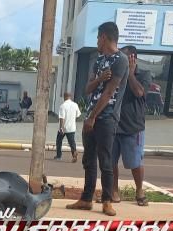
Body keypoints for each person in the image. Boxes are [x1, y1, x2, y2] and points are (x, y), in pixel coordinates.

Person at [66, 21, 129, 217]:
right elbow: (87, 89)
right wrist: (99, 79)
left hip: (106, 118)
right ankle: (86, 199)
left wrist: (92, 117)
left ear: (104, 37)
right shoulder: (99, 60)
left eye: (97, 38)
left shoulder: (121, 60)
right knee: (88, 160)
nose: (96, 42)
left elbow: (109, 93)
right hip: (90, 118)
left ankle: (107, 201)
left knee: (106, 161)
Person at [106, 45, 152, 206]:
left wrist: (130, 74)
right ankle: (114, 191)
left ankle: (139, 190)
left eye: (124, 58)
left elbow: (139, 92)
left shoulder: (144, 75)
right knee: (110, 162)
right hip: (114, 125)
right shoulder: (116, 74)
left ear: (133, 59)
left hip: (133, 128)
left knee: (135, 163)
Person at [55, 92, 81, 162]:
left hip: (64, 127)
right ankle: (74, 153)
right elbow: (78, 115)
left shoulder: (63, 106)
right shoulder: (75, 105)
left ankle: (59, 155)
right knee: (72, 142)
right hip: (72, 127)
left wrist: (61, 127)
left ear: (64, 97)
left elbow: (62, 118)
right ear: (71, 97)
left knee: (59, 141)